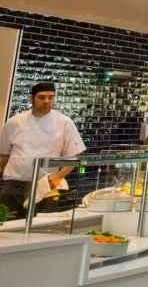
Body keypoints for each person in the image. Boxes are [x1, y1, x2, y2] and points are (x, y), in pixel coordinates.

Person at [0, 82, 86, 214]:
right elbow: (4, 155)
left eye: (50, 97)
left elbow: (74, 156)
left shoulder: (64, 122)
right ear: (31, 99)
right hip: (13, 186)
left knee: (41, 230)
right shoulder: (14, 122)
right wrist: (8, 177)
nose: (46, 101)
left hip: (46, 186)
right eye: (41, 97)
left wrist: (58, 177)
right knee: (7, 227)